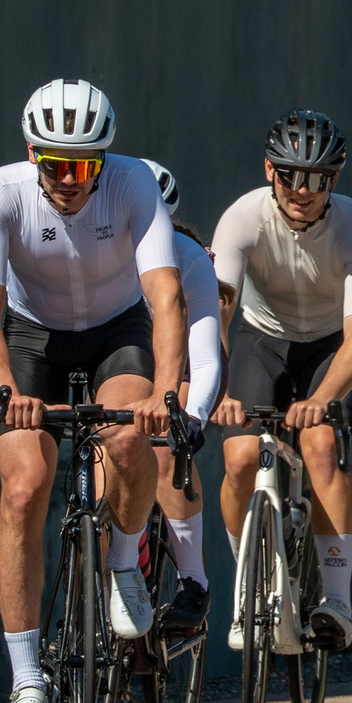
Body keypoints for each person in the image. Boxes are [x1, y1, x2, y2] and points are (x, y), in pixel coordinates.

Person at [0, 80, 186, 703]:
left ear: (104, 161)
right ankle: (27, 679)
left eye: (84, 165)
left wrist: (164, 393)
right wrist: (6, 394)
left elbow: (166, 298)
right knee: (24, 487)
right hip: (33, 340)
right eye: (54, 164)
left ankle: (124, 563)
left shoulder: (134, 184)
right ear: (32, 153)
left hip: (118, 331)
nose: (67, 179)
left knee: (125, 440)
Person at [210, 111, 352, 656]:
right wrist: (216, 390)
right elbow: (217, 310)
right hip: (264, 341)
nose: (303, 191)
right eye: (290, 176)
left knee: (321, 445)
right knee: (239, 456)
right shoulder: (242, 218)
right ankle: (247, 584)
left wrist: (321, 400)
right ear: (270, 170)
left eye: (318, 179)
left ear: (334, 180)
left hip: (332, 345)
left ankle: (336, 600)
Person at [137, 159, 225, 636]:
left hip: (187, 364)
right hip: (126, 363)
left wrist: (190, 420)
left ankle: (193, 579)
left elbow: (206, 359)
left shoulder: (188, 258)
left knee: (169, 447)